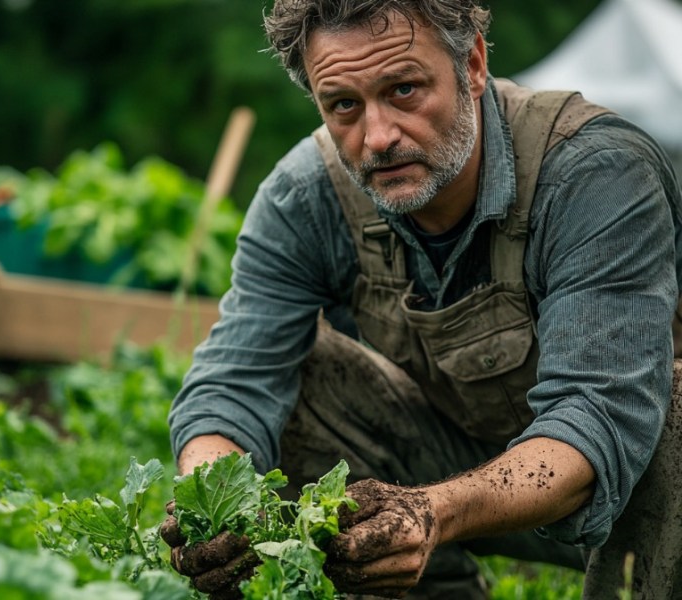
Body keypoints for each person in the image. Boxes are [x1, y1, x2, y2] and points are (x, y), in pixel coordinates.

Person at [161, 1, 682, 598]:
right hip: (457, 465)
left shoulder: (595, 172)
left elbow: (598, 414)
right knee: (291, 382)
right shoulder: (305, 197)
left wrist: (434, 511)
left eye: (405, 89)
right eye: (345, 106)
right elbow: (232, 380)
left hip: (635, 491)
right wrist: (211, 501)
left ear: (474, 65)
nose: (378, 137)